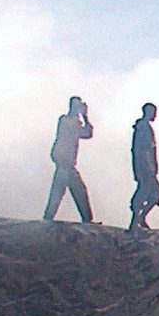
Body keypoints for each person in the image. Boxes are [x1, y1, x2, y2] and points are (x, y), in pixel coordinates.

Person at [43, 96, 95, 224]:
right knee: (59, 192)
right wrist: (84, 117)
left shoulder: (73, 122)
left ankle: (87, 219)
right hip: (64, 163)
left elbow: (88, 134)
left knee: (76, 191)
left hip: (68, 164)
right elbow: (84, 132)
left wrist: (85, 117)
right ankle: (48, 219)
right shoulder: (65, 120)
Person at [127, 103, 159, 234]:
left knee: (146, 193)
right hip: (145, 168)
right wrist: (149, 167)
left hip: (145, 167)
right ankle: (137, 220)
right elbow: (143, 150)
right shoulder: (143, 128)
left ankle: (138, 220)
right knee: (153, 193)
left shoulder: (144, 127)